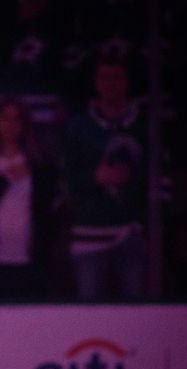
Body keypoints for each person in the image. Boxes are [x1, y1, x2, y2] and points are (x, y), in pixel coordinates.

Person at [61, 55, 148, 300]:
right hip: (89, 235)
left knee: (135, 314)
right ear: (96, 82)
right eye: (105, 77)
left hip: (131, 233)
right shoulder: (77, 127)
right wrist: (94, 177)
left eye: (117, 77)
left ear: (127, 81)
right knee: (90, 312)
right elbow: (65, 180)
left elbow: (156, 179)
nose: (111, 83)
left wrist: (145, 226)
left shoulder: (143, 125)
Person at [0, 97, 61, 300]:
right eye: (5, 118)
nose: (11, 125)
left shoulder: (40, 164)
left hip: (32, 259)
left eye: (17, 119)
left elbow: (48, 209)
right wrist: (4, 180)